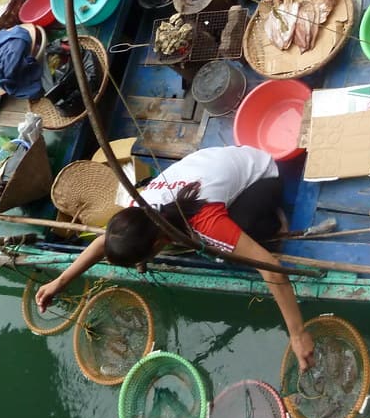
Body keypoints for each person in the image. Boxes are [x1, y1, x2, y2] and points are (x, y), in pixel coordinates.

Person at [35, 145, 315, 371]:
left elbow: (273, 271)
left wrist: (298, 334)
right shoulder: (137, 209)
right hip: (217, 161)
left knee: (238, 251)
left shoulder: (205, 221)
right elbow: (102, 243)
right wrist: (60, 282)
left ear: (158, 242)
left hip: (263, 175)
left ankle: (272, 223)